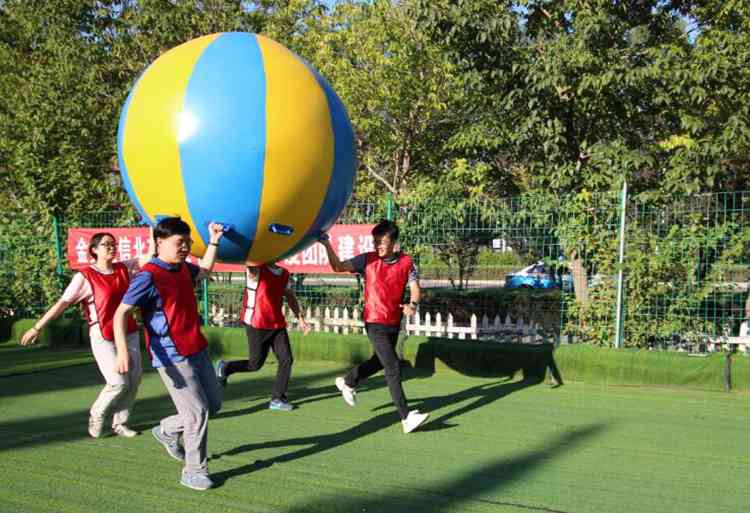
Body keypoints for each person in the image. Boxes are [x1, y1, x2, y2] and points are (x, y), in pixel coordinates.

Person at [112, 217, 224, 491]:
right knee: (197, 413)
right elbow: (120, 313)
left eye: (187, 242)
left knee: (213, 405)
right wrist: (122, 352)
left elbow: (205, 270)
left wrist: (214, 240)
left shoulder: (183, 268)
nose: (185, 247)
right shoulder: (148, 276)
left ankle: (166, 431)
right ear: (159, 243)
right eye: (179, 242)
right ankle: (193, 471)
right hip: (171, 356)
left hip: (196, 346)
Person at [20, 232, 144, 439]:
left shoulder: (124, 268)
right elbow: (63, 303)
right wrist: (37, 327)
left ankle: (120, 423)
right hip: (102, 334)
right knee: (118, 382)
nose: (111, 247)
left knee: (134, 379)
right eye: (106, 244)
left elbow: (149, 256)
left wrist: (160, 230)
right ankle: (96, 414)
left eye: (113, 244)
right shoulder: (85, 276)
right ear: (94, 250)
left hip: (128, 331)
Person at [319, 219, 429, 434]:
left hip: (393, 321)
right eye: (375, 241)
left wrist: (413, 304)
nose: (377, 245)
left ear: (394, 243)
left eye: (382, 242)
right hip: (374, 321)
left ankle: (348, 382)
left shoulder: (408, 263)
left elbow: (416, 289)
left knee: (379, 361)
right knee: (393, 366)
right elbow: (338, 266)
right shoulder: (366, 260)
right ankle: (406, 417)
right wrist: (326, 244)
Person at [215, 263, 310, 411]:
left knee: (287, 359)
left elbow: (290, 297)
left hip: (277, 324)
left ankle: (277, 399)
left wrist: (301, 318)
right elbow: (251, 260)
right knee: (255, 364)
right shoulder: (256, 269)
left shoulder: (284, 273)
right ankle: (227, 367)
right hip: (256, 323)